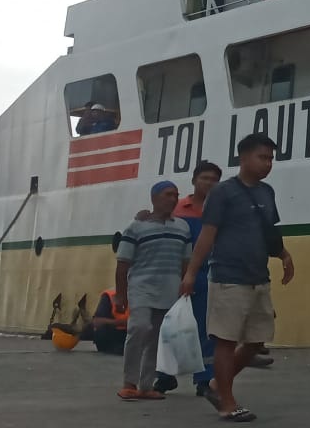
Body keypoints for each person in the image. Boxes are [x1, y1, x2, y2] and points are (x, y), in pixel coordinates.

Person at [181, 134, 294, 422]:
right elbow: (208, 235)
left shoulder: (267, 192)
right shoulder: (223, 193)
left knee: (257, 341)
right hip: (229, 276)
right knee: (226, 340)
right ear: (243, 158)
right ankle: (227, 403)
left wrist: (283, 255)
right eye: (262, 157)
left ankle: (218, 385)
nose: (268, 164)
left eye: (271, 158)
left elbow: (269, 232)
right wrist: (192, 273)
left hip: (259, 276)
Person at [147, 161, 222, 396]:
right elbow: (157, 223)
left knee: (206, 328)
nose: (209, 183)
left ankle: (204, 378)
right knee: (170, 326)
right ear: (193, 181)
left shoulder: (222, 208)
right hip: (178, 272)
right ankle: (166, 375)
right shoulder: (178, 208)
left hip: (208, 273)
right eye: (204, 178)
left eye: (214, 179)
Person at [115, 180, 193, 401]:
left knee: (156, 338)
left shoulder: (183, 227)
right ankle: (129, 382)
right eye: (168, 194)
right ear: (154, 197)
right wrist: (121, 294)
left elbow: (186, 260)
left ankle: (146, 386)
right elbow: (123, 263)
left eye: (176, 195)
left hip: (169, 288)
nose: (173, 199)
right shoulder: (136, 226)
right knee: (139, 328)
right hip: (141, 286)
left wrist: (186, 283)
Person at [90, 289, 129, 354]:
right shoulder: (109, 295)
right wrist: (122, 322)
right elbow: (97, 322)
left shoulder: (144, 297)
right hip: (113, 334)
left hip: (132, 333)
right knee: (100, 331)